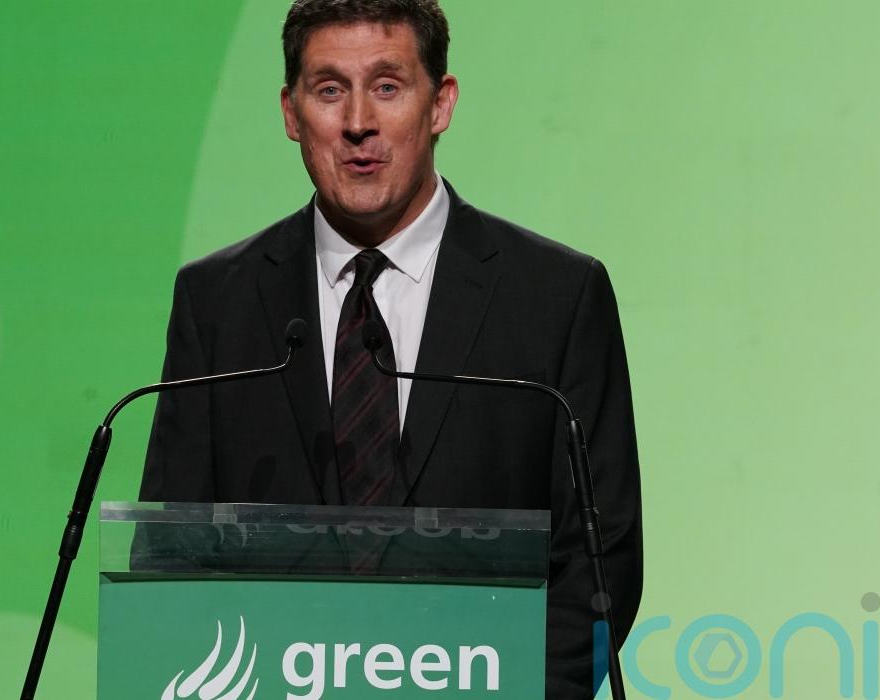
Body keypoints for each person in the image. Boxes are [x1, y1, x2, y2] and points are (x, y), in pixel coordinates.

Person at [139, 0, 642, 695]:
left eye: (387, 85)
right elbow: (172, 558)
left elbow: (600, 560)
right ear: (290, 114)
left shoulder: (556, 297)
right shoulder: (218, 301)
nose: (358, 122)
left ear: (441, 103)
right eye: (328, 90)